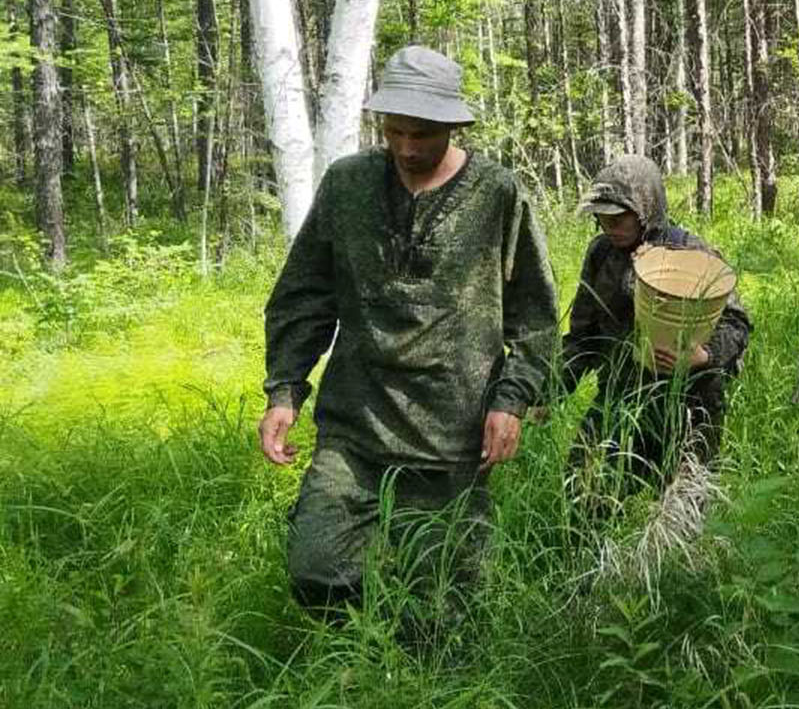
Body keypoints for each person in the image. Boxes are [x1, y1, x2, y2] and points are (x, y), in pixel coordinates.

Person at [260, 45, 559, 624]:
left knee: (445, 606)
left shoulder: (497, 193)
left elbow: (534, 313)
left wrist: (511, 399)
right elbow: (305, 294)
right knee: (317, 570)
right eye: (394, 131)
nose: (406, 148)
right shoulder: (347, 186)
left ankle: (410, 687)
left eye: (422, 134)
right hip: (356, 426)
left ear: (452, 124)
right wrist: (285, 390)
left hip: (453, 436)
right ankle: (357, 666)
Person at [556, 155, 751, 516]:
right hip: (620, 395)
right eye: (602, 218)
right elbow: (583, 336)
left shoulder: (691, 253)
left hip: (689, 402)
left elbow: (737, 324)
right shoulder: (601, 254)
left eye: (619, 218)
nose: (609, 227)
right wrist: (550, 391)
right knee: (583, 491)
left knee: (683, 513)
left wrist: (703, 355)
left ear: (646, 211)